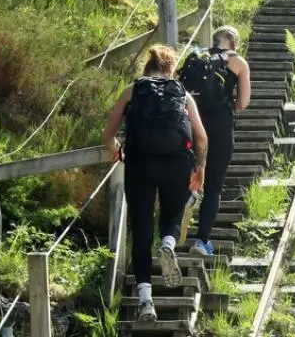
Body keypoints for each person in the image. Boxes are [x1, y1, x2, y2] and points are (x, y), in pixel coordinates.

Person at [103, 45, 208, 323]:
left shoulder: (132, 90)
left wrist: (117, 150)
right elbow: (202, 138)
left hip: (140, 162)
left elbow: (109, 133)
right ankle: (169, 243)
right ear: (172, 68)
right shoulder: (182, 93)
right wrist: (200, 168)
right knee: (173, 214)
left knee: (141, 227)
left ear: (147, 67)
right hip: (176, 162)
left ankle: (146, 302)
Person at [178, 26, 250, 257]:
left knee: (186, 174)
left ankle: (170, 234)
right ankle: (201, 242)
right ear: (235, 44)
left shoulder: (198, 56)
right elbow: (243, 103)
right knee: (214, 186)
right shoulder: (238, 62)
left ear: (215, 40)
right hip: (220, 126)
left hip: (192, 123)